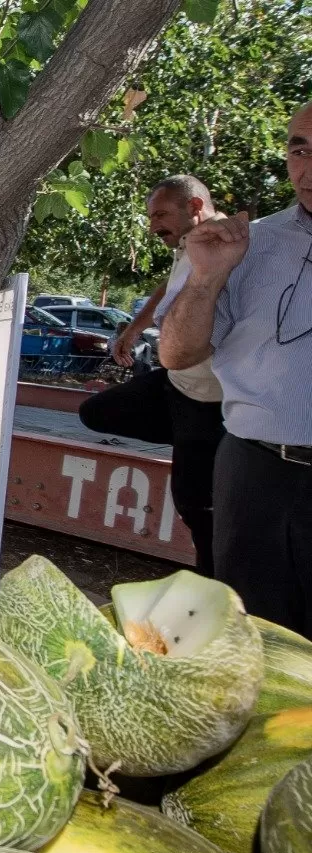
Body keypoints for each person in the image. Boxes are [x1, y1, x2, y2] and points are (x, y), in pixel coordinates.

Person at [157, 102, 312, 636]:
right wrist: (205, 279)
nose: (307, 171)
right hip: (256, 476)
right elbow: (175, 355)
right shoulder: (248, 244)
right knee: (259, 649)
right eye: (298, 149)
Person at [79, 175, 225, 574]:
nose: (153, 225)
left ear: (195, 208)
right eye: (150, 217)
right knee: (96, 412)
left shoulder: (225, 247)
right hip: (176, 385)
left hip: (211, 400)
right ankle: (200, 444)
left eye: (160, 214)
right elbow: (169, 285)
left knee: (197, 508)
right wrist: (134, 327)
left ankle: (212, 592)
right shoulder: (186, 246)